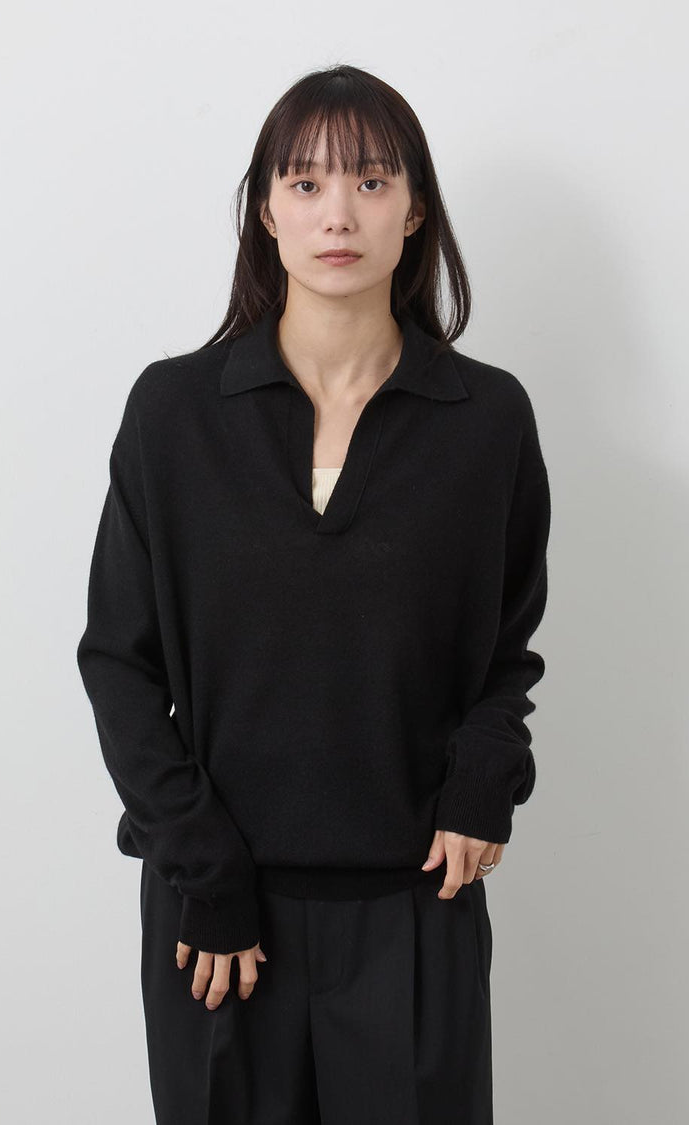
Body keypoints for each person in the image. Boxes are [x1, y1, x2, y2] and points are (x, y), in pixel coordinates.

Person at [77, 63, 551, 1125]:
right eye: (305, 183)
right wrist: (204, 869)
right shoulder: (174, 414)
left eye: (372, 182)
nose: (339, 213)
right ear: (265, 209)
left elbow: (507, 648)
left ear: (415, 208)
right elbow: (118, 662)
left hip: (415, 909)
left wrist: (485, 776)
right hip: (219, 920)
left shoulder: (486, 422)